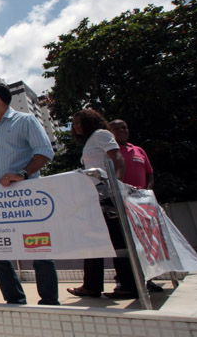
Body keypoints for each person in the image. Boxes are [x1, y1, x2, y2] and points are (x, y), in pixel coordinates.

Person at [0, 83, 60, 305]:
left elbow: (45, 151)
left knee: (39, 250)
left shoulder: (26, 121)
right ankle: (15, 299)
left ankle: (50, 301)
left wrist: (22, 173)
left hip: (26, 199)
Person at [66, 109, 138, 300]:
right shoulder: (90, 141)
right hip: (95, 196)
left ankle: (129, 285)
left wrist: (117, 184)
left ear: (91, 122)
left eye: (79, 122)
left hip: (108, 194)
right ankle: (91, 285)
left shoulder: (101, 134)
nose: (76, 127)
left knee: (117, 240)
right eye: (74, 124)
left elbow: (117, 157)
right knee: (94, 239)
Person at [110, 118, 163, 293]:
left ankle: (148, 279)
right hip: (120, 203)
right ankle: (123, 280)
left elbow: (150, 174)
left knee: (144, 243)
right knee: (122, 243)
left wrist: (147, 192)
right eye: (116, 129)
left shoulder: (138, 150)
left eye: (123, 127)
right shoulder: (110, 150)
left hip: (141, 203)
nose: (121, 131)